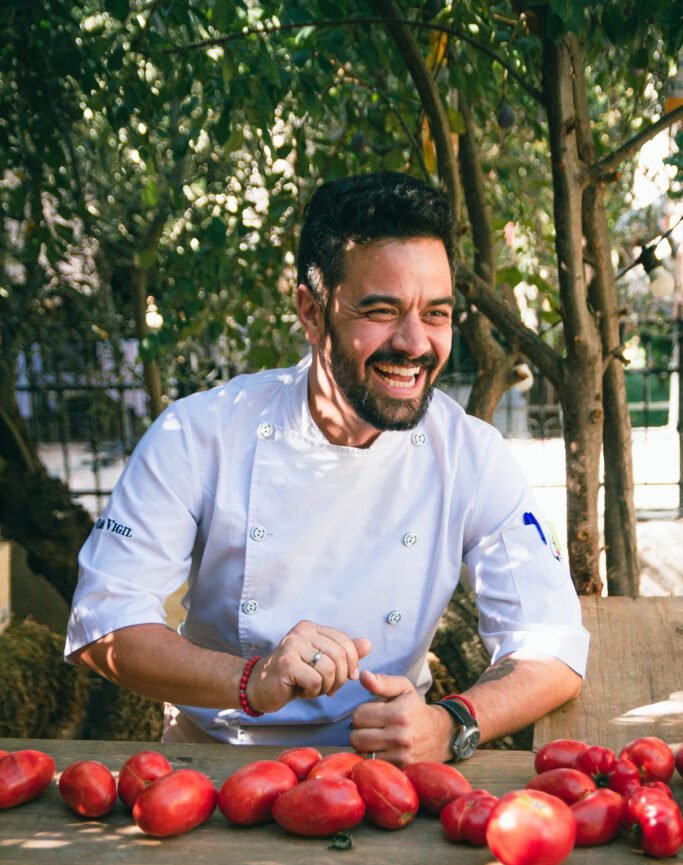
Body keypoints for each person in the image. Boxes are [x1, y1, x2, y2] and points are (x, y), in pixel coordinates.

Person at [65, 171, 589, 764]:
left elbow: (552, 646)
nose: (415, 343)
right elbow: (103, 624)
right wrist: (251, 679)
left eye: (436, 313)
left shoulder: (471, 454)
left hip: (391, 769)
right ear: (311, 314)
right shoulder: (199, 434)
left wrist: (451, 723)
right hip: (216, 766)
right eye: (383, 310)